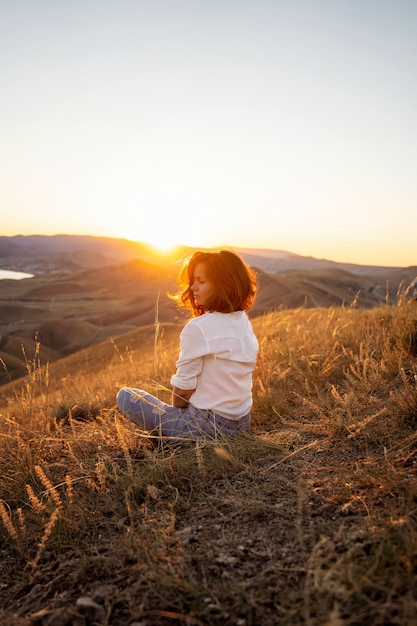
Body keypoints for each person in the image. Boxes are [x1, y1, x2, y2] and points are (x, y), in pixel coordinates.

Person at [116, 249, 259, 439]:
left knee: (125, 396)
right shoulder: (242, 321)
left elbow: (182, 392)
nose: (192, 287)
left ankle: (173, 441)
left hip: (205, 428)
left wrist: (176, 418)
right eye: (193, 281)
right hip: (242, 425)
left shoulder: (199, 327)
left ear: (223, 285)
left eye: (201, 281)